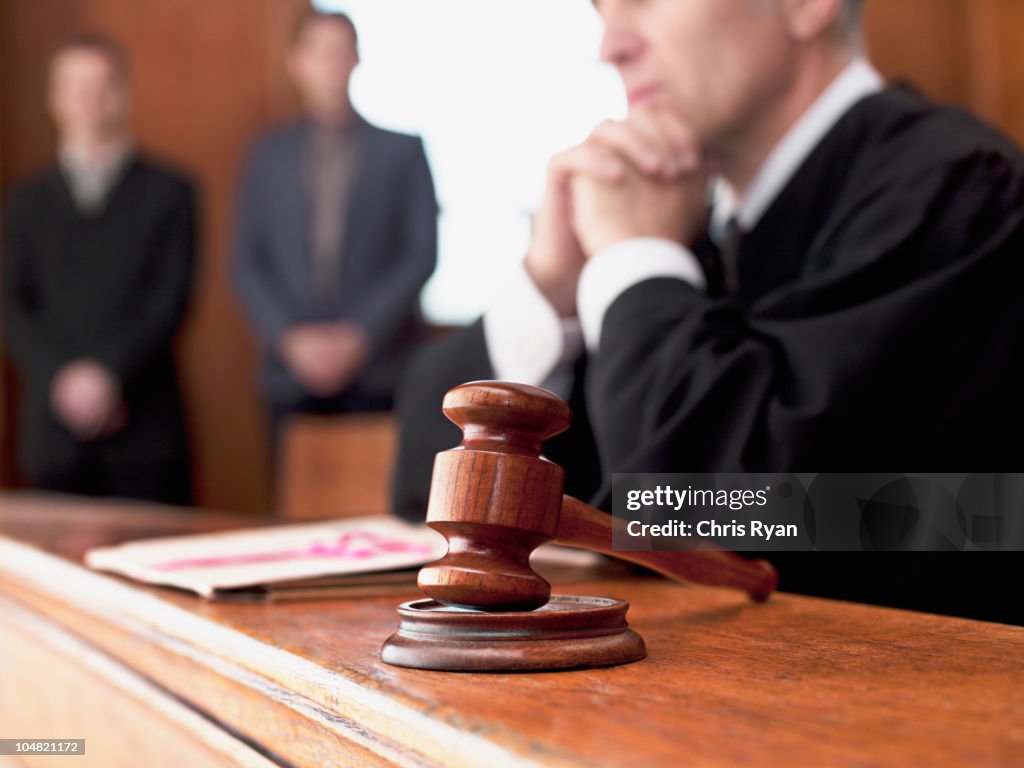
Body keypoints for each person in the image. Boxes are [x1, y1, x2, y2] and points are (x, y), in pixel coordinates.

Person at [393, 0, 1024, 623]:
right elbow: (425, 501)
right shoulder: (680, 226)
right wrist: (549, 290)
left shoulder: (962, 191)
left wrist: (635, 258)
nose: (609, 45)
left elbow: (726, 515)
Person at [233, 10, 437, 454]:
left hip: (379, 366)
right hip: (289, 373)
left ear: (356, 59)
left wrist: (358, 335)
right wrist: (290, 338)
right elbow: (248, 261)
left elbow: (420, 253)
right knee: (289, 514)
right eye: (318, 52)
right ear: (296, 62)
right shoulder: (266, 154)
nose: (330, 63)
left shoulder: (402, 151)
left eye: (340, 51)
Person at [3, 34, 195, 505]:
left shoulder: (170, 192)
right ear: (54, 97)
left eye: (102, 85)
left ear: (123, 94)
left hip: (146, 429)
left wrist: (108, 373)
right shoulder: (23, 202)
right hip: (53, 430)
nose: (89, 99)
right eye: (75, 86)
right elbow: (10, 303)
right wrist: (64, 378)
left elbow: (168, 298)